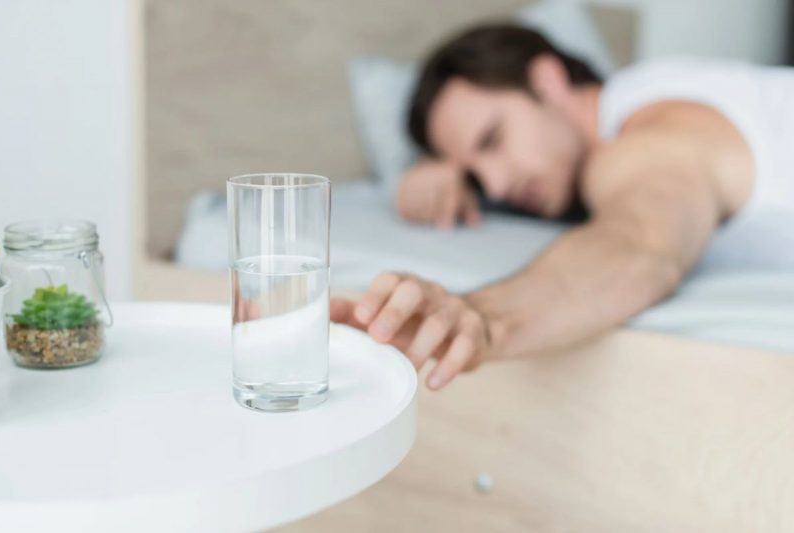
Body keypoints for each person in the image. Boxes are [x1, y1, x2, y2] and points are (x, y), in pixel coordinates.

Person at [330, 24, 794, 390]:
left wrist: (482, 318)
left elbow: (639, 241)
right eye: (476, 176)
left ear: (548, 80)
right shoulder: (668, 88)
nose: (497, 182)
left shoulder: (641, 140)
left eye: (493, 138)